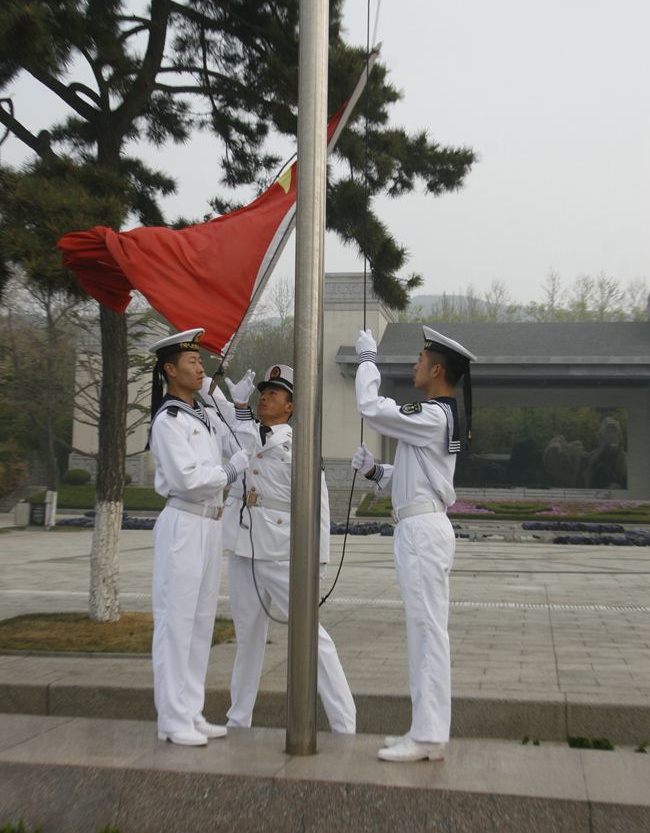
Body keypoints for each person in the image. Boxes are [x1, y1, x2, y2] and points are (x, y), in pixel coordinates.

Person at [352, 325, 476, 762]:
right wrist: (374, 473)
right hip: (418, 527)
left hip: (423, 534)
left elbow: (371, 405)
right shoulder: (432, 418)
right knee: (423, 631)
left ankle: (427, 735)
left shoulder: (432, 415)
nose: (415, 364)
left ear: (437, 368)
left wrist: (367, 359)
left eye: (421, 358)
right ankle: (424, 729)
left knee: (426, 633)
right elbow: (411, 483)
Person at [218, 363, 356, 734]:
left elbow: (319, 508)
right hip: (245, 549)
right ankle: (238, 718)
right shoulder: (249, 432)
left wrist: (319, 561)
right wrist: (214, 386)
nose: (265, 396)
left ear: (291, 406)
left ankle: (345, 724)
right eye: (263, 391)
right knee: (247, 637)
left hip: (282, 555)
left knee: (312, 636)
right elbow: (227, 418)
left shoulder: (300, 447)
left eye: (275, 393)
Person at [148, 328, 250, 746]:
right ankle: (171, 718)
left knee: (200, 622)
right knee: (176, 622)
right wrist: (229, 472)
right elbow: (187, 478)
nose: (200, 366)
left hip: (209, 525)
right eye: (191, 362)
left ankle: (190, 710)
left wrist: (234, 403)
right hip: (184, 523)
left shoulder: (201, 415)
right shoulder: (168, 420)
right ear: (170, 370)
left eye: (200, 360)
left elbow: (242, 442)